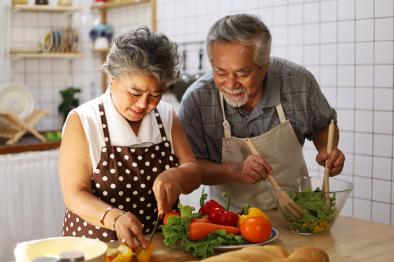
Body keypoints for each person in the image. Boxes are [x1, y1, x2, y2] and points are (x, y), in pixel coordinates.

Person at [178, 14, 345, 211]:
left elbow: (323, 125)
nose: (230, 84)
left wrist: (328, 151)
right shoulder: (197, 100)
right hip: (229, 220)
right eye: (220, 72)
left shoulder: (297, 82)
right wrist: (236, 171)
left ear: (265, 65)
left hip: (296, 213)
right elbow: (191, 169)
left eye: (242, 73)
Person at [59, 26, 201, 249]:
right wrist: (115, 218)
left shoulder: (166, 116)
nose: (144, 104)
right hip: (97, 248)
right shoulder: (84, 121)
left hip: (158, 246)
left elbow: (194, 171)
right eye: (135, 93)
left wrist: (177, 175)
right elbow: (74, 195)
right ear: (112, 78)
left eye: (155, 94)